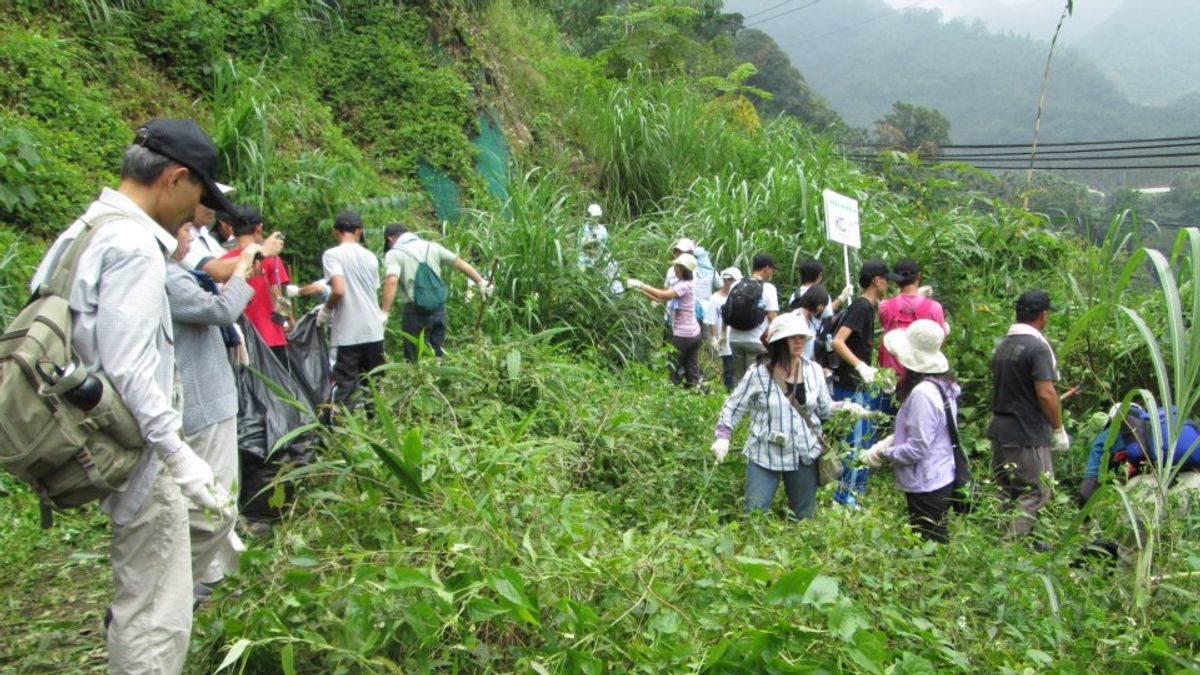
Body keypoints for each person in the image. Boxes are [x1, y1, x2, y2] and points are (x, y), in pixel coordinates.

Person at [30, 118, 235, 674]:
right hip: (139, 454)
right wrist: (177, 454)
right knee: (155, 618)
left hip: (97, 436)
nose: (199, 213)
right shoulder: (134, 246)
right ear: (175, 178)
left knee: (167, 567)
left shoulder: (85, 230)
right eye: (199, 195)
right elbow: (131, 368)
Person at [166, 224, 258, 599]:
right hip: (200, 404)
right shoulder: (169, 278)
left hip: (207, 399)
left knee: (217, 495)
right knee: (215, 496)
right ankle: (190, 582)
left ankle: (222, 572)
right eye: (184, 230)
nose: (190, 239)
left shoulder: (177, 274)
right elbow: (221, 309)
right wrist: (242, 266)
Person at [710, 314, 833, 519]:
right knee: (754, 514)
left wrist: (848, 408)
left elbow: (825, 408)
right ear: (778, 342)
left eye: (801, 337)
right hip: (765, 453)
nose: (798, 341)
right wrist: (723, 435)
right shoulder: (758, 373)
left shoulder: (814, 371)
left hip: (804, 452)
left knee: (804, 517)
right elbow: (733, 406)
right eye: (792, 337)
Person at [860, 320, 960, 543]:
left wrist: (885, 454)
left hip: (928, 481)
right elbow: (928, 432)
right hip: (941, 474)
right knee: (931, 540)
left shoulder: (922, 394)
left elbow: (918, 448)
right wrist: (888, 442)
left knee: (929, 544)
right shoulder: (943, 385)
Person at [988, 289, 1069, 539]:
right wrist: (1058, 430)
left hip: (1001, 430)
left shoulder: (1004, 346)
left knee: (1006, 491)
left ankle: (993, 544)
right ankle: (1010, 549)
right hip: (1026, 433)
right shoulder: (1037, 348)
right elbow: (1046, 393)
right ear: (1043, 314)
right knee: (1036, 491)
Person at [829, 259, 902, 505]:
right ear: (877, 281)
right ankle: (844, 496)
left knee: (860, 438)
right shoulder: (861, 308)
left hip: (855, 383)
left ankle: (853, 491)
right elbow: (838, 341)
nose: (889, 285)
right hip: (850, 385)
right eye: (887, 281)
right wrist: (860, 366)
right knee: (855, 442)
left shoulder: (867, 307)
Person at [381, 223, 490, 362]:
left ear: (390, 239)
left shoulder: (395, 253)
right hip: (439, 309)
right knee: (438, 355)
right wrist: (480, 281)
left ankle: (418, 381)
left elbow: (392, 281)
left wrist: (384, 312)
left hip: (415, 312)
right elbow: (459, 262)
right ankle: (439, 381)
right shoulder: (432, 246)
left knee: (415, 359)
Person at [318, 211, 385, 408]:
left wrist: (326, 311)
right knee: (373, 387)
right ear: (359, 232)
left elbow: (338, 290)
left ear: (335, 232)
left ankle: (340, 434)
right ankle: (377, 431)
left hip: (348, 333)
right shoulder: (370, 256)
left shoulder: (332, 255)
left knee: (344, 387)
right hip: (374, 331)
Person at [220, 206, 293, 364]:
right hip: (271, 335)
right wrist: (288, 320)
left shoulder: (223, 262)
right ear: (259, 228)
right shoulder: (270, 257)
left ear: (232, 229)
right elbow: (277, 294)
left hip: (242, 341)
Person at [627, 253, 704, 388]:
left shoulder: (684, 286)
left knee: (671, 368)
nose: (674, 268)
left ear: (682, 269)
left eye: (676, 266)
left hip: (683, 336)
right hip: (694, 334)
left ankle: (672, 395)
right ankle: (696, 395)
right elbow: (660, 299)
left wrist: (641, 285)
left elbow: (663, 294)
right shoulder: (684, 284)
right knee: (692, 370)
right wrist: (639, 290)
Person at [181, 188, 284, 283]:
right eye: (206, 201)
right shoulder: (182, 238)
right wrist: (262, 252)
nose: (213, 207)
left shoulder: (205, 235)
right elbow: (216, 272)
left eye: (215, 201)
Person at [877, 259, 948, 380]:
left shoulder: (884, 306)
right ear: (919, 276)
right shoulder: (934, 308)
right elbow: (939, 340)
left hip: (890, 376)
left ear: (895, 280)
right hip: (921, 374)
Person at [726, 254, 781, 386]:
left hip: (734, 339)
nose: (772, 273)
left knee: (740, 382)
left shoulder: (736, 284)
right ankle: (753, 407)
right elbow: (772, 316)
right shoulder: (768, 288)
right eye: (772, 270)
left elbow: (727, 310)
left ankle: (739, 406)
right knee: (756, 382)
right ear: (766, 269)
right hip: (756, 341)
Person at [788, 258, 853, 318]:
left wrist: (842, 297)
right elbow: (828, 315)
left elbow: (826, 309)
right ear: (819, 275)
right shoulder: (821, 295)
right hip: (814, 330)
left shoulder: (794, 295)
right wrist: (843, 297)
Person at [712, 267, 741, 391]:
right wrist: (714, 337)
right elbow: (711, 319)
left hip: (736, 338)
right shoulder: (715, 298)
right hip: (723, 340)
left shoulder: (739, 297)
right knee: (728, 368)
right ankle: (729, 392)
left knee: (736, 368)